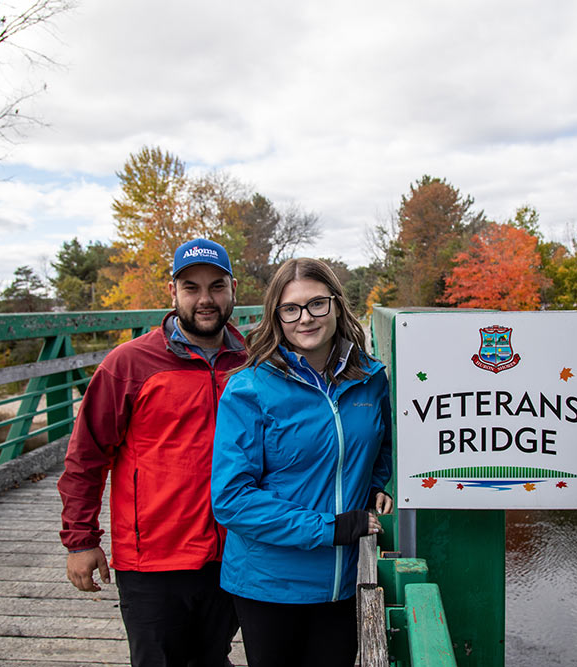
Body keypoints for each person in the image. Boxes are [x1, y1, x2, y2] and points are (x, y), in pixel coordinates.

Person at [58, 238, 245, 667]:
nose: (205, 299)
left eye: (216, 286)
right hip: (154, 559)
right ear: (172, 292)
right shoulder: (129, 364)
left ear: (233, 289)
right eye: (191, 288)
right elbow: (86, 457)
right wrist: (80, 541)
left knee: (213, 657)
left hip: (235, 551)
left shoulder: (254, 360)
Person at [210, 257, 393, 667]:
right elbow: (232, 500)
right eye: (290, 309)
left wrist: (380, 485)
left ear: (337, 305)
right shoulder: (249, 388)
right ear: (276, 316)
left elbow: (385, 442)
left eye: (317, 304)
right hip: (269, 584)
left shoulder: (371, 377)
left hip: (343, 581)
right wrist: (333, 528)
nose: (305, 318)